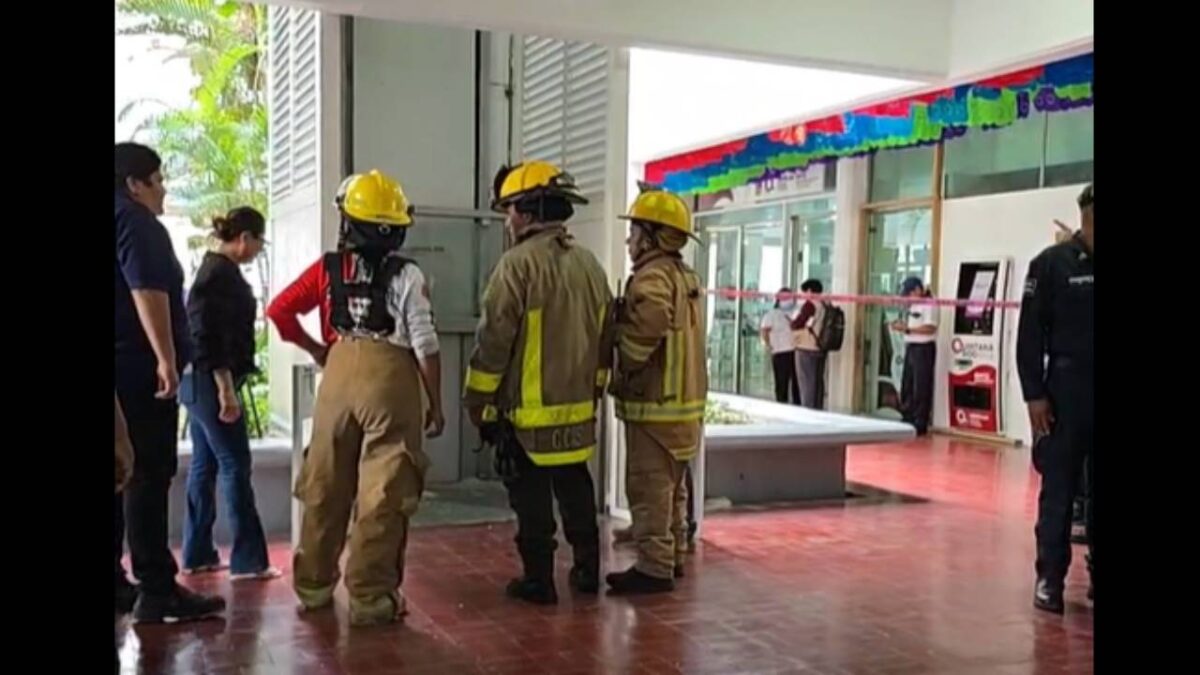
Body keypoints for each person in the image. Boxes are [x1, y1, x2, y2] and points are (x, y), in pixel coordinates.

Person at [266, 170, 444, 626]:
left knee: (326, 482)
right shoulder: (409, 274)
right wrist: (435, 403)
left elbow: (279, 310)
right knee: (385, 490)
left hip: (338, 378)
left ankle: (313, 585)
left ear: (349, 221)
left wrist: (318, 349)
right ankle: (370, 598)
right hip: (392, 379)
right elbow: (424, 343)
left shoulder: (328, 269)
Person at [463, 160, 611, 605]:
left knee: (531, 501)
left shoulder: (516, 266)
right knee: (576, 489)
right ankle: (588, 571)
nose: (507, 219)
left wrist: (479, 403)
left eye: (510, 209)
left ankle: (538, 580)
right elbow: (606, 337)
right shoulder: (589, 265)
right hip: (578, 413)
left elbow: (494, 343)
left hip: (526, 417)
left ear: (527, 211)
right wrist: (593, 390)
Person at [114, 142, 226, 623]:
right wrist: (165, 356)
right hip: (137, 369)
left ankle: (119, 584)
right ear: (134, 184)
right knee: (148, 473)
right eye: (157, 179)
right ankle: (157, 588)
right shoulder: (139, 223)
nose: (163, 189)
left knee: (117, 473)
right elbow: (147, 288)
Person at [607, 186, 707, 595]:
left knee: (649, 489)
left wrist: (625, 359)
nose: (629, 241)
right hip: (686, 408)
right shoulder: (685, 275)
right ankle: (675, 554)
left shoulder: (651, 277)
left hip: (655, 406)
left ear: (651, 236)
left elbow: (646, 327)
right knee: (675, 488)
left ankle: (654, 566)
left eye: (634, 233)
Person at [180, 207, 279, 581]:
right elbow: (208, 338)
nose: (256, 251)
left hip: (197, 381)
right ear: (244, 239)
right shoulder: (218, 276)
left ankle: (197, 552)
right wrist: (225, 390)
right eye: (257, 243)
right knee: (236, 464)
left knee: (205, 466)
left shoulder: (215, 272)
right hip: (209, 381)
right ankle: (248, 560)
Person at [1016, 183, 1094, 614]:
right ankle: (1050, 578)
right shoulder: (1050, 265)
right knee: (1059, 488)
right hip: (1066, 390)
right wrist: (1034, 395)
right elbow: (1029, 335)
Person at [890, 277, 938, 435]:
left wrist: (908, 329)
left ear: (918, 289)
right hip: (911, 346)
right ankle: (907, 417)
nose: (908, 298)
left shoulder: (930, 304)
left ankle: (920, 421)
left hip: (923, 348)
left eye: (910, 293)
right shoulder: (912, 305)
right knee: (908, 384)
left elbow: (930, 328)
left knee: (921, 386)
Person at [791, 278, 830, 410]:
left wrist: (791, 322)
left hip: (806, 347)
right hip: (821, 347)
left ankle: (808, 411)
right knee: (817, 382)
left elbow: (797, 323)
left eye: (804, 292)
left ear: (809, 291)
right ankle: (818, 409)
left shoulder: (810, 305)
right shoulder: (825, 304)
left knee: (806, 382)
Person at [760, 288, 800, 404]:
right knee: (781, 382)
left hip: (795, 351)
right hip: (780, 351)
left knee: (796, 383)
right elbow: (764, 331)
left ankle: (797, 406)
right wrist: (769, 345)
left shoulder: (796, 311)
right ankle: (782, 403)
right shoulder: (771, 314)